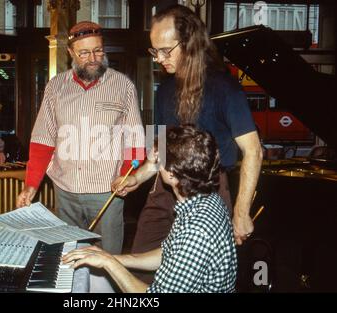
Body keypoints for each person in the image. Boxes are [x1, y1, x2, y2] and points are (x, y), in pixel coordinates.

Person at [112, 5, 263, 260]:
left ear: (189, 42)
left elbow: (254, 151)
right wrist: (136, 178)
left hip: (209, 191)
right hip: (164, 189)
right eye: (154, 50)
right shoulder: (164, 89)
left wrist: (241, 210)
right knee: (139, 260)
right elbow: (156, 150)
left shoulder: (225, 87)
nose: (158, 58)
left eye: (165, 50)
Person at [16, 21, 145, 254]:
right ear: (71, 53)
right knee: (69, 255)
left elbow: (135, 139)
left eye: (98, 50)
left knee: (108, 258)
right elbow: (43, 140)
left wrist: (129, 175)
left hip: (108, 191)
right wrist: (31, 185)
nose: (93, 58)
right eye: (84, 53)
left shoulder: (123, 85)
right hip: (66, 191)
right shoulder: (56, 87)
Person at [63, 126, 238, 293]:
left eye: (158, 159)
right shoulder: (204, 199)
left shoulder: (197, 231)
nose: (154, 162)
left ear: (171, 174)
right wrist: (113, 258)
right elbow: (168, 253)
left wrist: (109, 263)